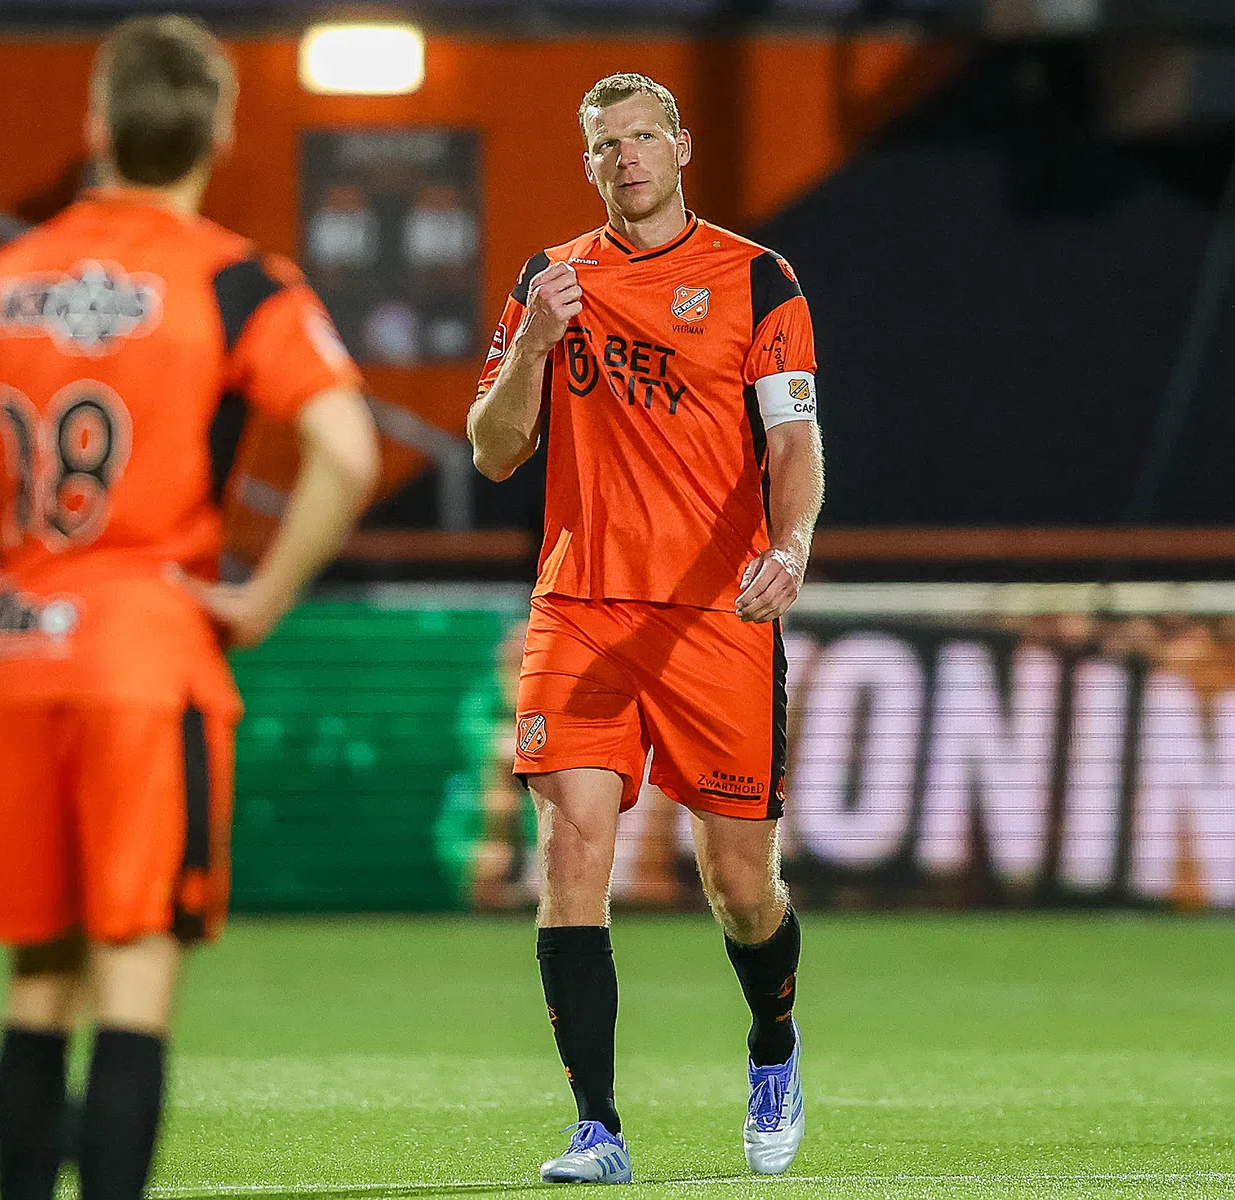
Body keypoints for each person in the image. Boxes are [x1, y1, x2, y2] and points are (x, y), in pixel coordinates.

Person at [0, 16, 379, 1200]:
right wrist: (260, 597)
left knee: (38, 984)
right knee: (135, 976)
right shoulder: (239, 280)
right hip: (150, 655)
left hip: (23, 657)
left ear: (94, 125)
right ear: (224, 131)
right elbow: (346, 454)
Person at [468, 72, 825, 1182]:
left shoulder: (758, 278)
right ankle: (597, 1127)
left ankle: (773, 1042)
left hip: (717, 617)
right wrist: (533, 345)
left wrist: (793, 544)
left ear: (678, 145)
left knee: (739, 885)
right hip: (581, 609)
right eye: (603, 143)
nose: (626, 156)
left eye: (642, 136)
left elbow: (794, 443)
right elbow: (491, 447)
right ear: (587, 164)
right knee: (574, 849)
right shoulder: (550, 280)